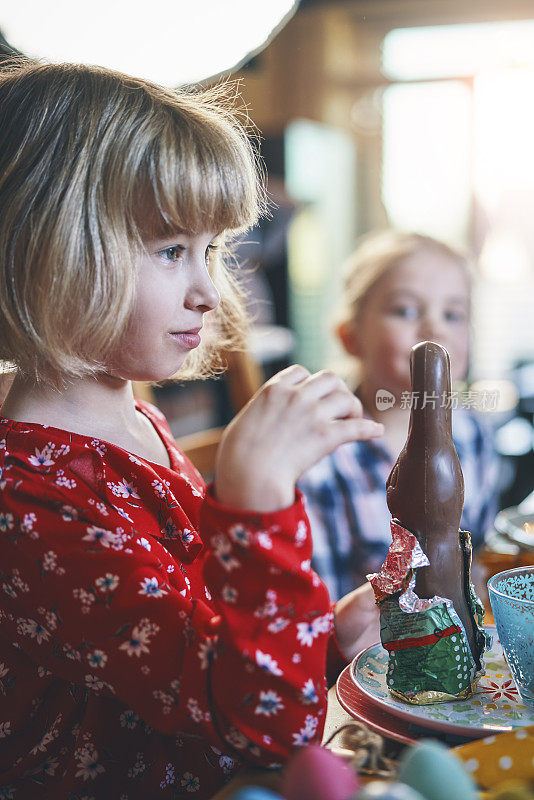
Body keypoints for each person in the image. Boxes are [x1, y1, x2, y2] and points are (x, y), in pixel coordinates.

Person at [0, 61, 384, 799]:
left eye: (210, 250)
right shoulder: (25, 496)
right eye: (171, 249)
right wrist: (256, 494)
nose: (210, 291)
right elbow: (255, 725)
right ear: (52, 251)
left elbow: (200, 623)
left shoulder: (134, 417)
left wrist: (323, 641)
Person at [298, 229, 500, 601]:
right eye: (405, 310)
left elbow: (485, 555)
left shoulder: (474, 434)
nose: (435, 328)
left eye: (453, 314)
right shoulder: (320, 459)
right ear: (350, 337)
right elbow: (317, 608)